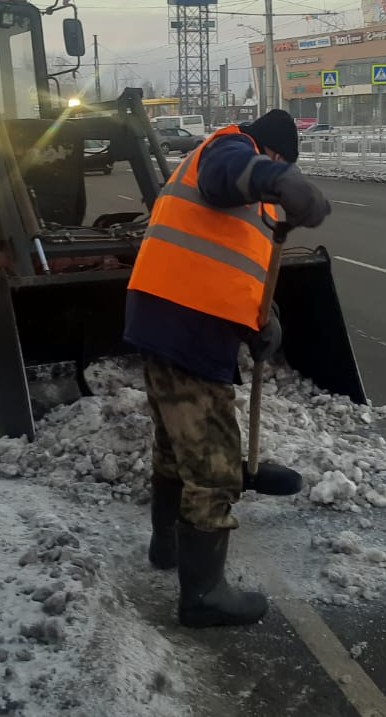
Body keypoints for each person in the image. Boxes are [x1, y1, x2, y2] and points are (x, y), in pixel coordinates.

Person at [124, 109, 331, 628]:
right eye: (279, 163)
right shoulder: (227, 148)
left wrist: (263, 320)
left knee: (174, 448)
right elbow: (229, 172)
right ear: (273, 152)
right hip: (183, 328)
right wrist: (278, 178)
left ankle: (166, 547)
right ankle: (203, 595)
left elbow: (226, 262)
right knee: (214, 467)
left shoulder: (247, 196)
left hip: (173, 320)